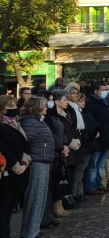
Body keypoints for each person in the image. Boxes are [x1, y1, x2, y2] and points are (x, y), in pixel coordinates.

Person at [19, 96, 55, 238]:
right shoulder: (29, 122)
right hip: (36, 163)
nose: (46, 108)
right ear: (37, 107)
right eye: (44, 105)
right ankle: (29, 232)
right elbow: (26, 142)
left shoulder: (39, 121)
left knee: (40, 198)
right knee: (35, 198)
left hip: (43, 161)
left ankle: (34, 230)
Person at [0, 95, 30, 238]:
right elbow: (3, 148)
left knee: (8, 210)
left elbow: (25, 145)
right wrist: (15, 165)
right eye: (9, 107)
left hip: (20, 170)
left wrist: (24, 163)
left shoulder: (16, 123)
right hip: (7, 172)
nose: (13, 109)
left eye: (14, 106)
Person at [44, 91, 76, 224]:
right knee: (52, 184)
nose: (50, 102)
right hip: (54, 152)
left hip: (61, 151)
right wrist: (61, 146)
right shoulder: (49, 117)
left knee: (58, 182)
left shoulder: (57, 116)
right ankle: (52, 210)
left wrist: (65, 145)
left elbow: (61, 131)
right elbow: (51, 135)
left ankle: (58, 207)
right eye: (49, 100)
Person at [83, 83, 109, 195]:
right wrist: (96, 131)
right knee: (93, 165)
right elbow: (90, 121)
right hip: (96, 139)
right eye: (103, 89)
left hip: (106, 138)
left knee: (100, 164)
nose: (105, 91)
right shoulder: (90, 103)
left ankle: (98, 183)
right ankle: (90, 186)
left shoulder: (105, 102)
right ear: (96, 91)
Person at [63, 83, 89, 200]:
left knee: (80, 169)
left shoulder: (75, 107)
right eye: (73, 93)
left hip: (80, 139)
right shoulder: (68, 107)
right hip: (73, 141)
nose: (75, 95)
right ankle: (74, 195)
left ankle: (79, 193)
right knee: (75, 170)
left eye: (76, 93)